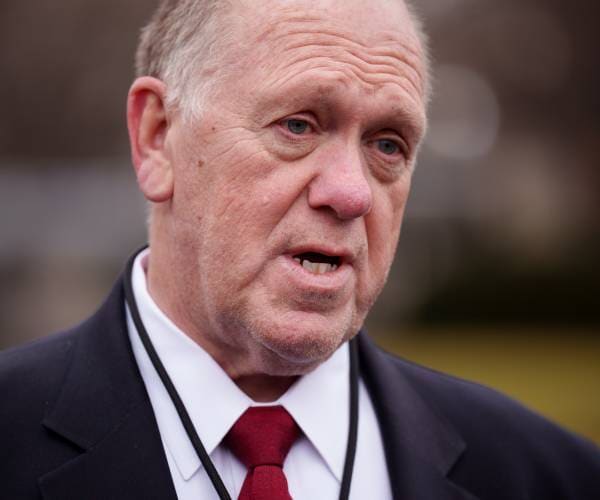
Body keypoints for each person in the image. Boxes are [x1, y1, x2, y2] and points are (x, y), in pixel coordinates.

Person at [1, 0, 599, 498]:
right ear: (158, 137)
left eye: (387, 144)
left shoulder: (551, 478)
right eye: (298, 125)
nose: (352, 192)